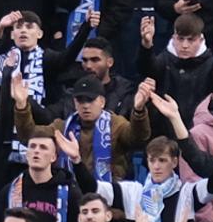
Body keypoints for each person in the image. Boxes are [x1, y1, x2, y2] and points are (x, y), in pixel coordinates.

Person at [11, 73, 152, 182]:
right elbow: (29, 136)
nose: (85, 105)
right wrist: (22, 105)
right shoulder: (62, 127)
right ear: (74, 102)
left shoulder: (116, 124)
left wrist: (139, 110)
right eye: (80, 100)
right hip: (69, 193)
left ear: (102, 102)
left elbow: (138, 138)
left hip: (107, 196)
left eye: (90, 100)